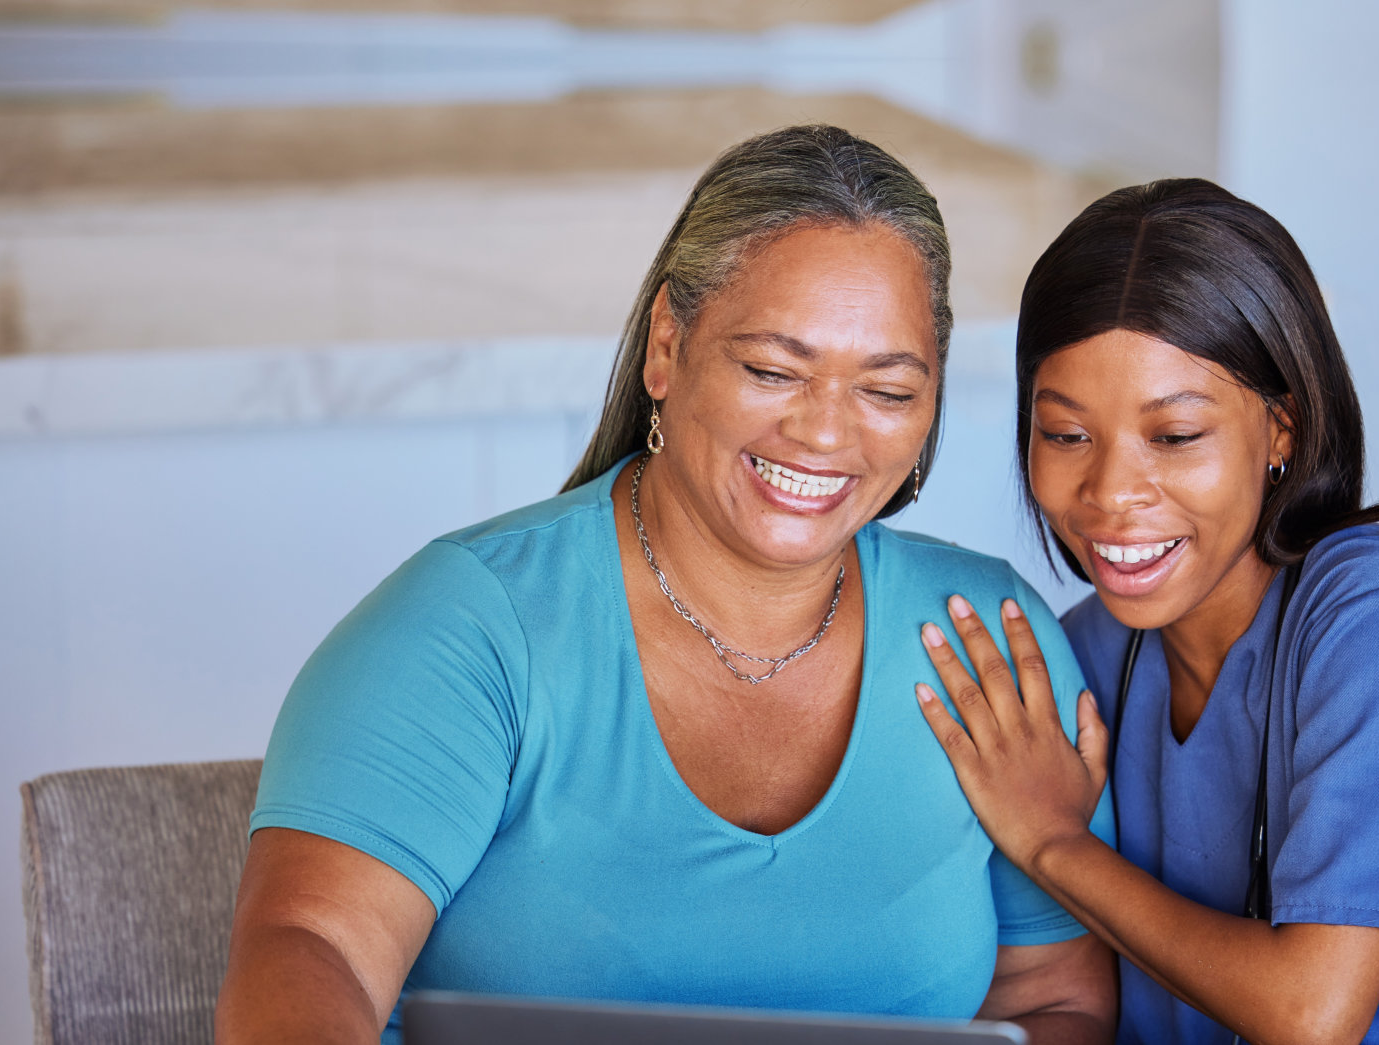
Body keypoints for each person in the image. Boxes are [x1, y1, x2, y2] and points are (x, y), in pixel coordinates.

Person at [216, 125, 1116, 1045]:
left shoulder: (990, 638)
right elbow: (308, 942)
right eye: (772, 369)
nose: (824, 432)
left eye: (887, 391)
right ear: (666, 347)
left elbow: (1057, 999)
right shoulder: (468, 628)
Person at [911, 179, 1379, 1045]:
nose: (1111, 492)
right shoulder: (1085, 657)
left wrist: (1054, 843)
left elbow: (1312, 1017)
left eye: (1175, 436)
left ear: (1282, 430)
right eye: (1067, 434)